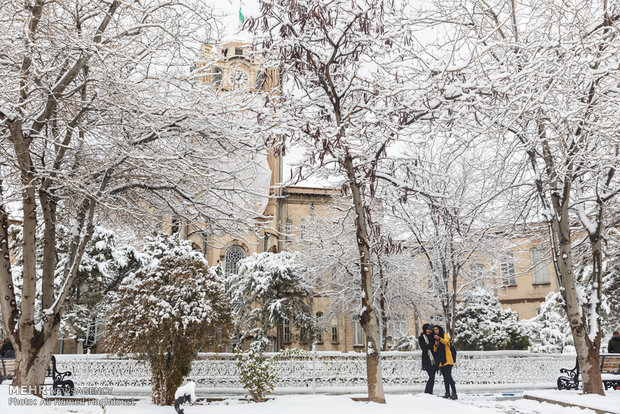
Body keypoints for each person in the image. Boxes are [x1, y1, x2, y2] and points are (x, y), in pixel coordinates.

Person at [433, 325, 457, 400]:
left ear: (439, 329)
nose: (435, 331)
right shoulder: (437, 338)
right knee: (445, 378)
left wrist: (439, 338)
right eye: (434, 330)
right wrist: (436, 345)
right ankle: (447, 393)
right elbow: (434, 350)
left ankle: (454, 393)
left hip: (447, 360)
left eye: (436, 329)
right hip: (441, 361)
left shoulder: (445, 335)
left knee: (449, 377)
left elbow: (446, 342)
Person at [418, 323, 437, 394]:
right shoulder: (421, 337)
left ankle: (429, 392)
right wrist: (432, 344)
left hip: (433, 359)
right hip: (427, 359)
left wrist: (430, 344)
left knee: (433, 377)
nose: (429, 331)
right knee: (431, 376)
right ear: (425, 329)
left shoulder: (433, 337)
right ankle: (427, 392)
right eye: (427, 329)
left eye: (430, 329)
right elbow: (424, 348)